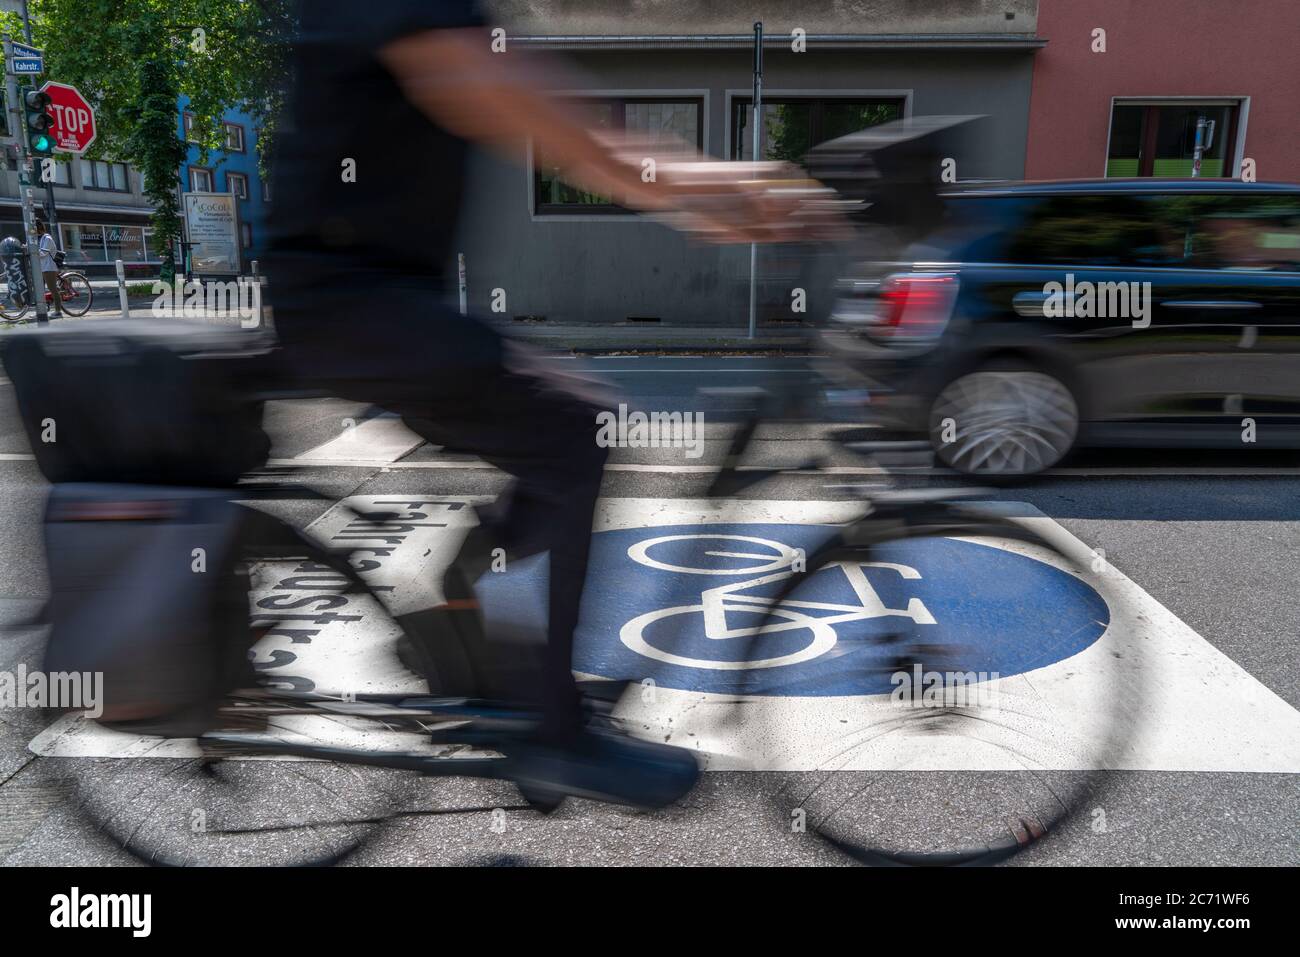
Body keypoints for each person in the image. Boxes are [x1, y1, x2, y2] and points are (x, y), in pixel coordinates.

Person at [264, 1, 814, 802]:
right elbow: (506, 92)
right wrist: (704, 185)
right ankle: (553, 734)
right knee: (570, 430)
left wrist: (693, 189)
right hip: (352, 305)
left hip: (375, 302)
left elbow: (515, 84)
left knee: (558, 419)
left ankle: (476, 632)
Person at [35, 221, 62, 319]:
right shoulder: (36, 238)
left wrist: (32, 250)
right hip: (40, 268)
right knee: (39, 290)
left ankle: (58, 312)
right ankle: (42, 310)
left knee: (52, 289)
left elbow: (43, 253)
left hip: (49, 267)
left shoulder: (47, 238)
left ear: (38, 228)